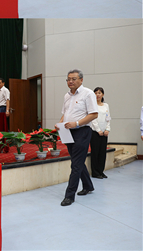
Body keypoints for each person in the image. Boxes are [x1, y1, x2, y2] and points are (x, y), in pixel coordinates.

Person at [55, 69, 98, 206]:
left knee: (75, 164)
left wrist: (77, 123)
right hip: (68, 132)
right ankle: (88, 186)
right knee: (77, 161)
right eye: (68, 79)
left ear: (81, 80)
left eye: (73, 79)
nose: (70, 81)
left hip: (82, 131)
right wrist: (60, 123)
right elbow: (65, 113)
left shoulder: (88, 93)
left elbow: (94, 114)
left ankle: (69, 195)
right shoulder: (66, 96)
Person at [89, 87, 110, 179]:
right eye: (96, 93)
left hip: (104, 132)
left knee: (102, 153)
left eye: (99, 93)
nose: (97, 95)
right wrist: (98, 130)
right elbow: (93, 119)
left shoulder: (106, 105)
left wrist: (107, 129)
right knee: (95, 152)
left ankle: (101, 171)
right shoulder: (92, 105)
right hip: (95, 132)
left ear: (103, 94)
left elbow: (108, 118)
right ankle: (95, 172)